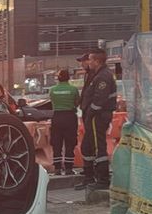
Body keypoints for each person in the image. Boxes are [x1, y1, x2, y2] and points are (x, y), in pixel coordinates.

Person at [78, 47, 117, 189]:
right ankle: (89, 177)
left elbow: (99, 98)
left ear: (96, 60)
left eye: (91, 59)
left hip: (98, 116)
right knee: (87, 147)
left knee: (98, 147)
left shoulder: (103, 76)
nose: (89, 62)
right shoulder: (95, 74)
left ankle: (103, 179)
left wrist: (91, 112)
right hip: (92, 115)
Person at [48, 69, 80, 175]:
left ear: (58, 78)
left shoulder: (52, 90)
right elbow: (77, 103)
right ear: (69, 77)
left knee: (56, 143)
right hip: (70, 117)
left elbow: (52, 102)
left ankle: (57, 169)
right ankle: (68, 168)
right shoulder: (74, 89)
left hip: (57, 117)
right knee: (70, 143)